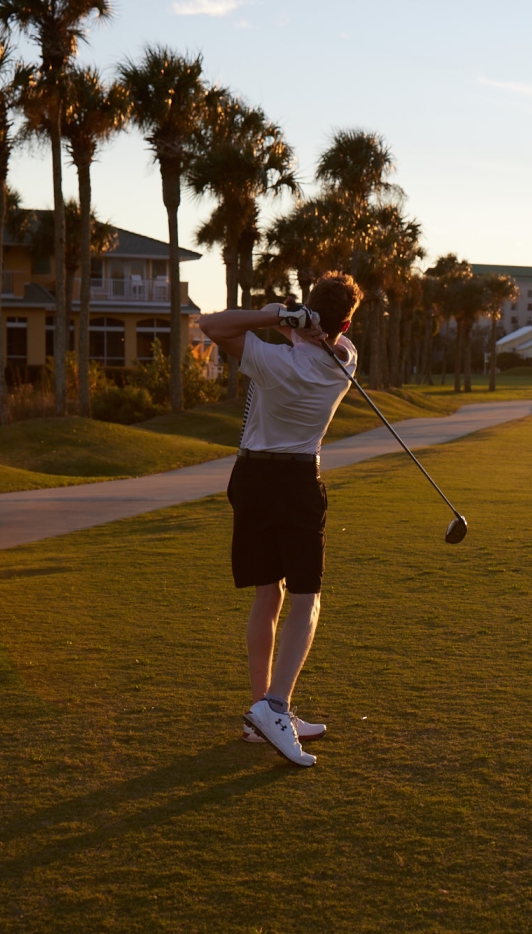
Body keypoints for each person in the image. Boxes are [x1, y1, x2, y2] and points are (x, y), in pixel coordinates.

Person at [198, 272, 363, 767]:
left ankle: (262, 715)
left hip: (250, 479)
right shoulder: (346, 361)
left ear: (308, 311)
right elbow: (320, 339)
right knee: (306, 599)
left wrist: (277, 314)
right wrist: (302, 325)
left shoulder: (271, 361)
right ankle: (272, 708)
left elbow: (212, 324)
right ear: (347, 322)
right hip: (296, 484)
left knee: (269, 594)